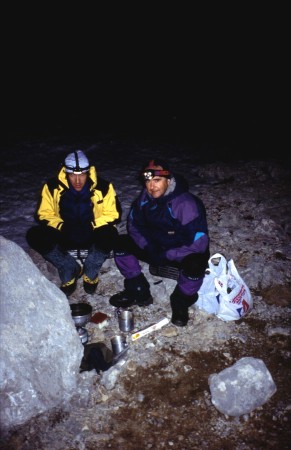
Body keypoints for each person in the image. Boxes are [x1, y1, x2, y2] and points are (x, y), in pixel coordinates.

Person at [109, 158, 210, 327]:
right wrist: (147, 246)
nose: (151, 186)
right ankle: (138, 288)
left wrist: (167, 253)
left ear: (168, 180)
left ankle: (181, 300)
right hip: (154, 248)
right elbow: (133, 226)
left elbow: (198, 243)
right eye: (148, 181)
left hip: (180, 252)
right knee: (120, 242)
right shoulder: (144, 199)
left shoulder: (185, 204)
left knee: (196, 264)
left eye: (157, 180)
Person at [26, 150, 121, 296]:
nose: (78, 181)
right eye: (73, 175)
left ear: (88, 173)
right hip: (65, 233)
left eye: (82, 175)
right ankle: (67, 266)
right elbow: (43, 214)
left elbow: (114, 214)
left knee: (111, 233)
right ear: (66, 173)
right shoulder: (52, 187)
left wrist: (92, 225)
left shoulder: (103, 187)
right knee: (34, 235)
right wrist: (61, 226)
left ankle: (91, 268)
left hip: (92, 234)